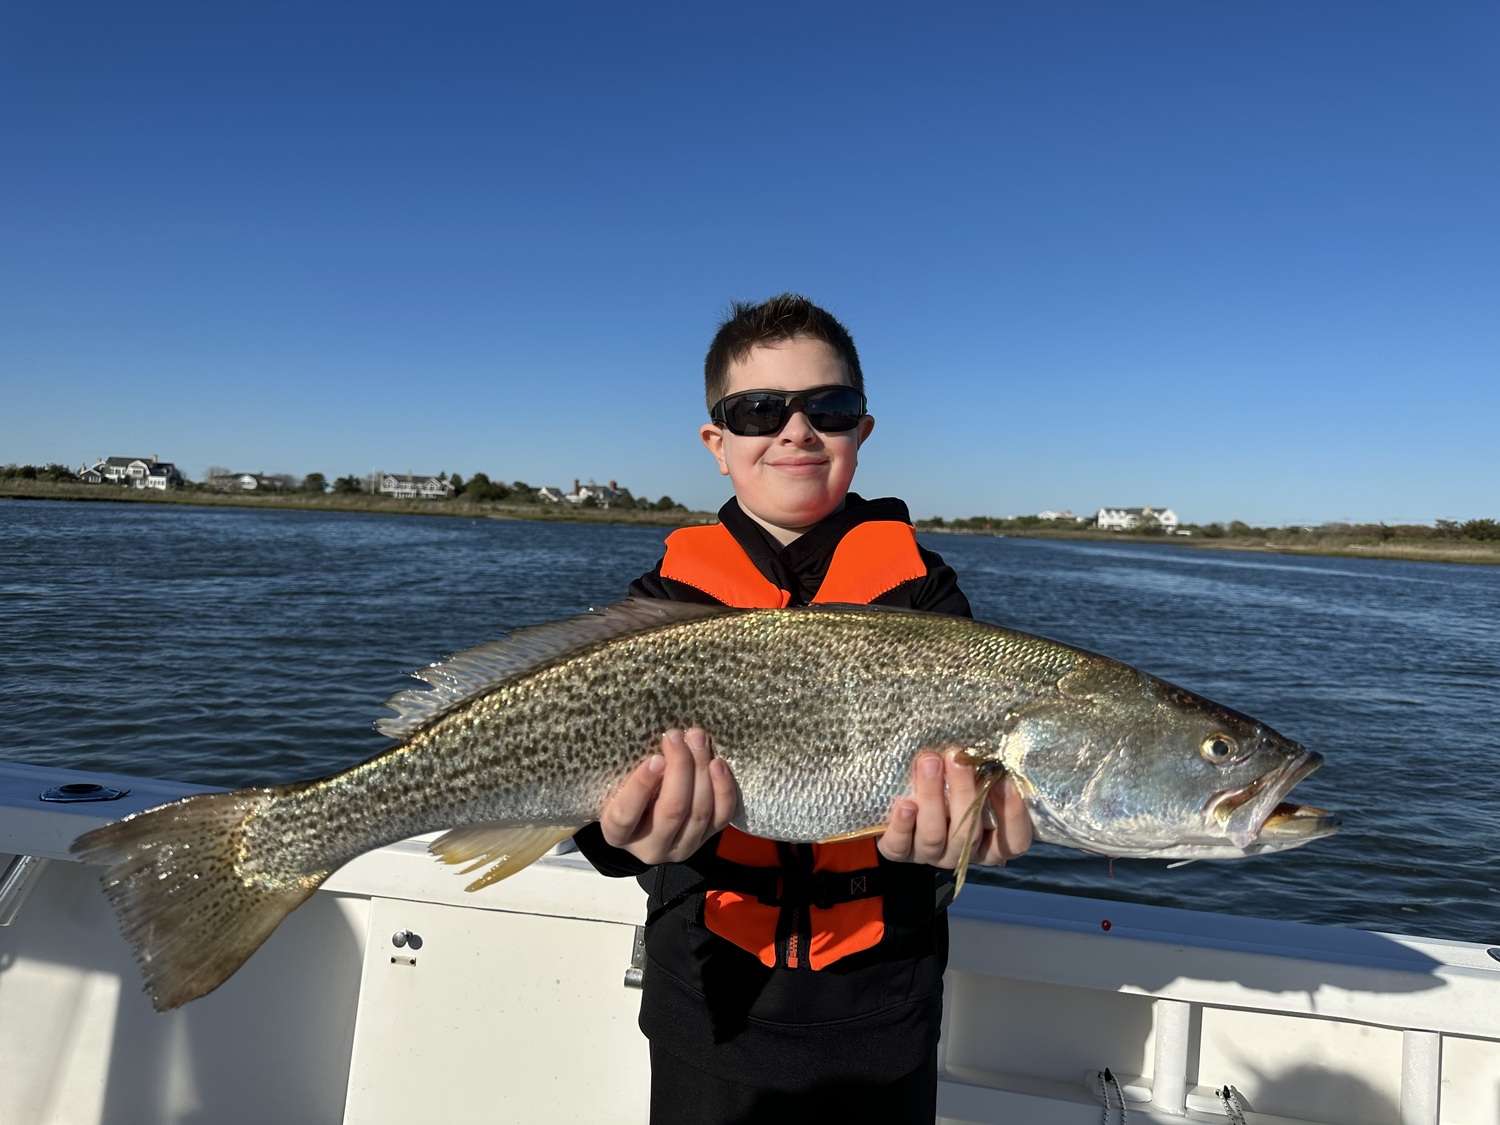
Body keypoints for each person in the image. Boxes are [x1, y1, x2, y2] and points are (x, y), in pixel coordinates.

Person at [573, 294, 1033, 1124]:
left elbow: (978, 787)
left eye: (829, 407)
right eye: (757, 410)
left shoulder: (926, 598)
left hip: (885, 1004)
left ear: (861, 430)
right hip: (704, 999)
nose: (796, 430)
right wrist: (618, 838)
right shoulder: (658, 603)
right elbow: (587, 815)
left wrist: (984, 828)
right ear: (717, 444)